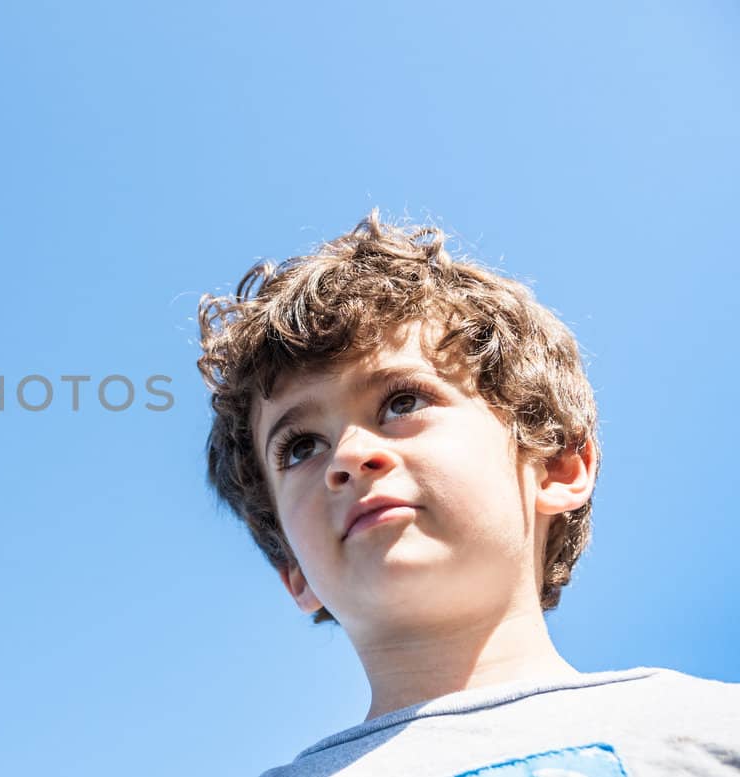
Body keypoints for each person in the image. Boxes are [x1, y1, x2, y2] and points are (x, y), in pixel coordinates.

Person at [196, 210, 740, 776]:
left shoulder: (710, 730)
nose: (348, 456)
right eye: (302, 446)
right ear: (294, 573)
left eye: (401, 403)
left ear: (556, 465)